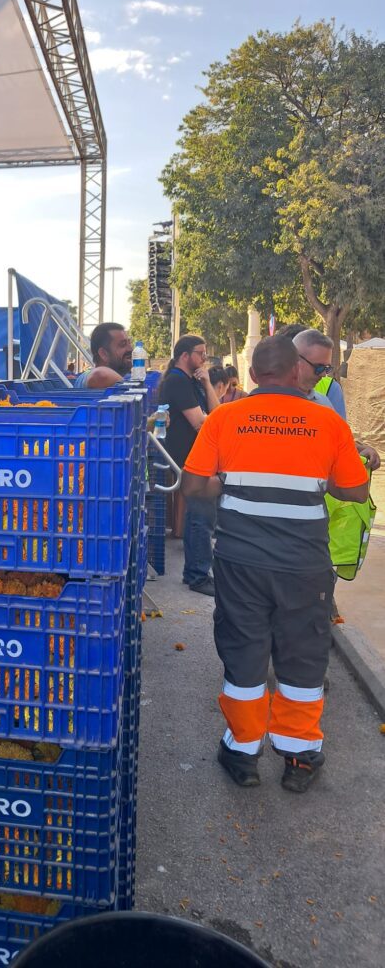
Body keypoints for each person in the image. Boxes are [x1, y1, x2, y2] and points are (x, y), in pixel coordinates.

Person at [181, 335, 369, 793]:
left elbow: (193, 486)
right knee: (302, 657)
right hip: (305, 565)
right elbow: (356, 492)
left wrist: (227, 486)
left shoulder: (225, 417)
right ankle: (300, 756)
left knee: (244, 652)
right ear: (295, 373)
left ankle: (243, 753)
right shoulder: (326, 422)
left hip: (240, 561)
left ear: (252, 375)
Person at [157, 335, 221, 596]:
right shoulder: (176, 380)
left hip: (198, 455)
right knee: (199, 516)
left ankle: (197, 570)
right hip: (187, 456)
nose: (204, 359)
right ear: (185, 355)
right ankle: (197, 574)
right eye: (201, 353)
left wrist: (207, 383)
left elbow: (215, 414)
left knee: (203, 516)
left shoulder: (191, 380)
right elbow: (202, 422)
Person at [292, 328, 380, 470]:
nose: (322, 375)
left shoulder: (323, 402)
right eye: (318, 367)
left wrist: (360, 449)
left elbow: (337, 442)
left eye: (327, 368)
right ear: (295, 359)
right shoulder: (264, 400)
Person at [75, 323, 132, 388]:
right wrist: (130, 389)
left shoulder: (121, 377)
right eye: (123, 344)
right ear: (103, 354)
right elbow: (99, 375)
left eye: (129, 343)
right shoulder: (86, 377)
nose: (130, 349)